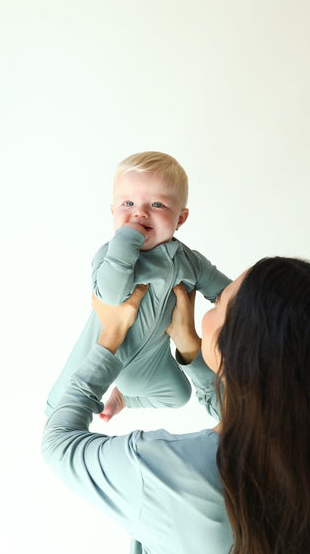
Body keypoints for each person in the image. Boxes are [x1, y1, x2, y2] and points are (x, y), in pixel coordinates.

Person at [42, 256, 310, 554]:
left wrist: (110, 336)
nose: (210, 301)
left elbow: (59, 443)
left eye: (220, 299)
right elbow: (245, 423)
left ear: (238, 343)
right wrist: (190, 350)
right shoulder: (292, 471)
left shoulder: (164, 470)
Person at [45, 151, 230, 420]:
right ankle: (53, 415)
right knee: (69, 386)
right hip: (100, 352)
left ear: (180, 218)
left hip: (148, 365)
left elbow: (227, 293)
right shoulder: (110, 255)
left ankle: (125, 397)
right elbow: (112, 294)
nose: (139, 212)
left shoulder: (189, 261)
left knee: (179, 394)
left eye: (157, 204)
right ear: (112, 213)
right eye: (128, 203)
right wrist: (125, 239)